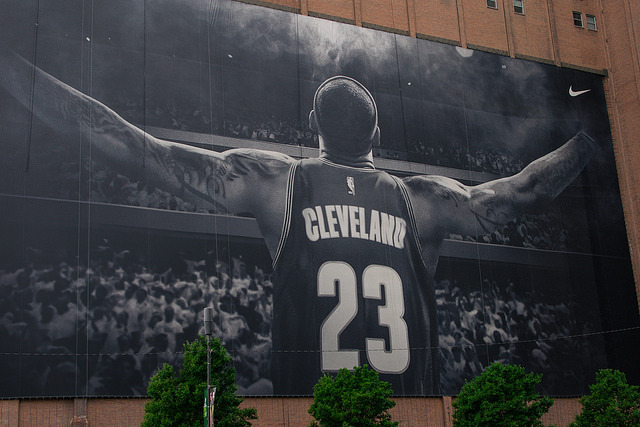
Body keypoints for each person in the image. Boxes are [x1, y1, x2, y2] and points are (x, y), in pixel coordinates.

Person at [0, 52, 605, 395]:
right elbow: (521, 193)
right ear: (376, 135)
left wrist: (16, 66)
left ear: (312, 129)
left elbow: (135, 148)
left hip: (313, 410)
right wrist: (590, 135)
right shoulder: (422, 199)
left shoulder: (277, 182)